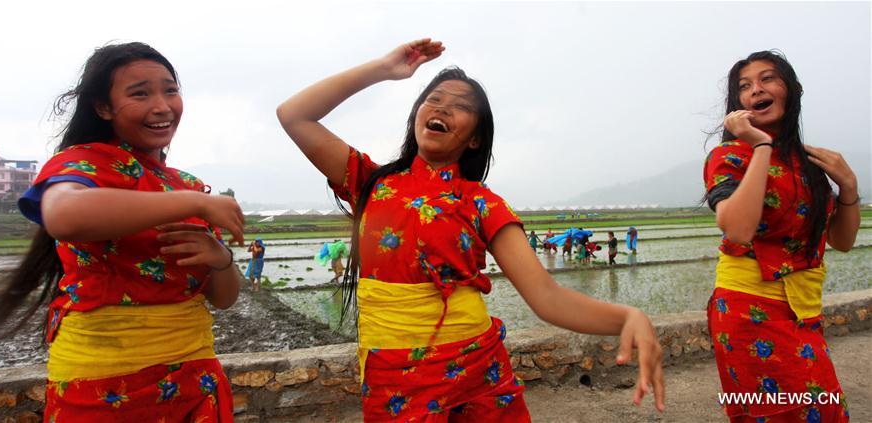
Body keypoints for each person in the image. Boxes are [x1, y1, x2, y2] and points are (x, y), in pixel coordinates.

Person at [277, 38, 664, 421]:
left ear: (475, 137)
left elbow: (546, 297)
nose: (443, 107)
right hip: (393, 383)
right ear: (417, 115)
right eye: (433, 99)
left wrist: (627, 317)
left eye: (461, 106)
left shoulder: (481, 203)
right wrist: (383, 69)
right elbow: (294, 115)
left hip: (479, 379)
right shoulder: (371, 182)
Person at [0, 42, 244, 422]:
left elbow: (225, 299)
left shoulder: (187, 184)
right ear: (103, 107)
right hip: (102, 386)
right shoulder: (80, 164)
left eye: (170, 90)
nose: (162, 106)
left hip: (194, 379)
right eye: (140, 94)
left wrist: (221, 259)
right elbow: (63, 215)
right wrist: (193, 204)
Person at [703, 50, 859, 422]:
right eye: (745, 86)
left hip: (804, 312)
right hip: (748, 310)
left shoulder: (809, 164)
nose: (756, 89)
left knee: (824, 411)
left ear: (792, 89)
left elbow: (842, 241)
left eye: (767, 78)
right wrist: (760, 146)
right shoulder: (730, 155)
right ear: (738, 104)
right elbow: (738, 229)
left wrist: (849, 186)